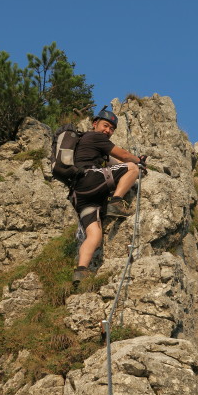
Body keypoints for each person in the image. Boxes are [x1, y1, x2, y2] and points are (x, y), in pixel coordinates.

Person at [71, 108, 146, 284]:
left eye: (112, 129)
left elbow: (116, 162)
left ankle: (81, 271)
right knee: (132, 168)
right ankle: (116, 201)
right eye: (105, 126)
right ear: (94, 124)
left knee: (94, 233)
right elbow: (125, 156)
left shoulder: (89, 143)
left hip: (79, 195)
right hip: (89, 179)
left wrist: (133, 162)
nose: (108, 131)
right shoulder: (95, 137)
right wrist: (139, 162)